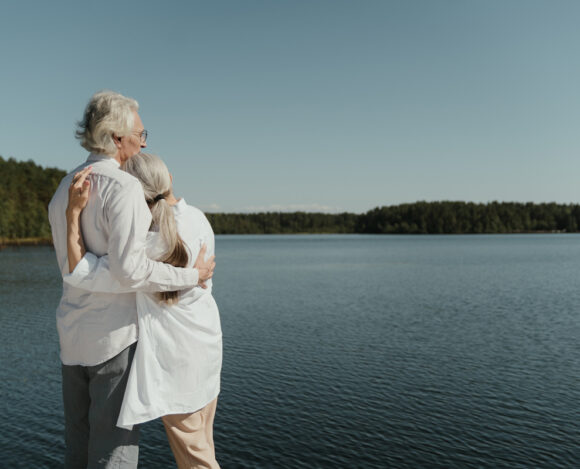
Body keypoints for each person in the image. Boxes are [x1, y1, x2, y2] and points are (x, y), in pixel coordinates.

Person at [48, 91, 215, 468]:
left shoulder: (63, 187)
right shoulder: (123, 188)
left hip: (71, 337)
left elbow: (71, 268)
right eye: (140, 133)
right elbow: (131, 271)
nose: (143, 141)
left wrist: (84, 268)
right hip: (114, 340)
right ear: (115, 138)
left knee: (78, 447)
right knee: (114, 451)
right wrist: (192, 274)